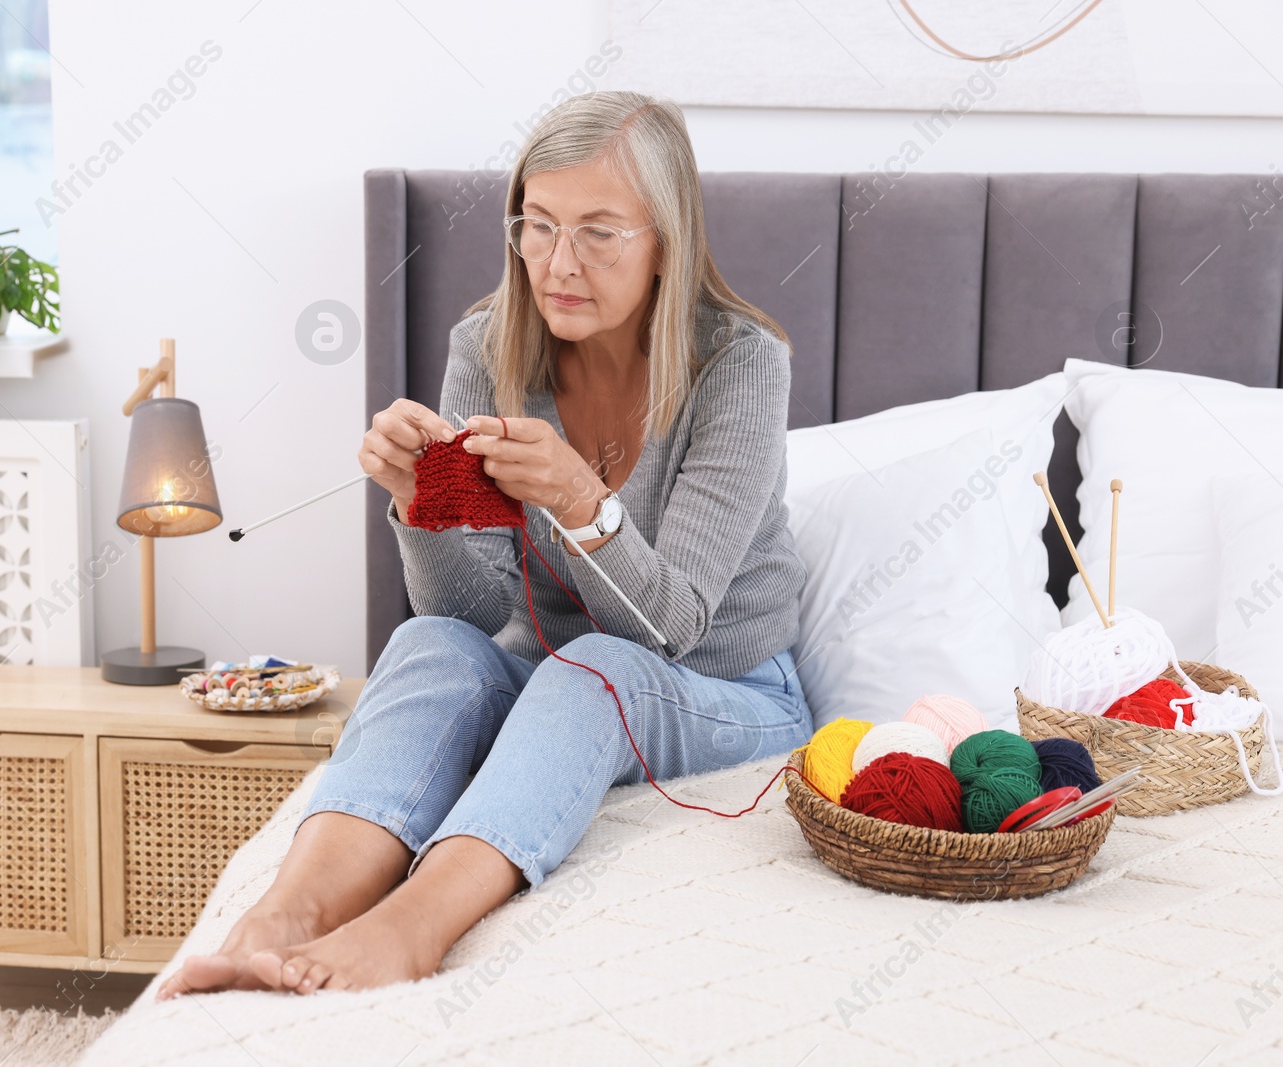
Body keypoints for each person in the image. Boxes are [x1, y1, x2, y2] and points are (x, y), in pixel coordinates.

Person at [158, 90, 811, 999]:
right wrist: (418, 504)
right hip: (540, 670)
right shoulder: (490, 345)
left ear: (667, 238)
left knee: (599, 668)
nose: (557, 262)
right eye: (536, 226)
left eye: (598, 232)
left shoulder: (740, 363)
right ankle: (282, 916)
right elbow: (467, 614)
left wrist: (583, 499)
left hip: (726, 686)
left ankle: (410, 926)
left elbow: (673, 627)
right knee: (426, 646)